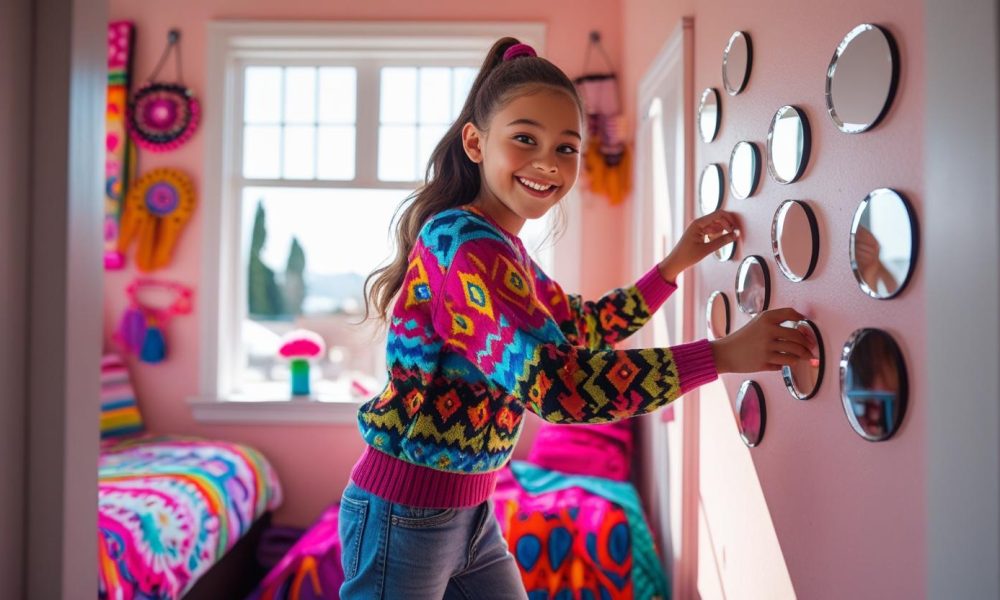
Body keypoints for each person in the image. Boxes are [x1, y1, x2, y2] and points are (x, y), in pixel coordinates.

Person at [339, 37, 813, 599]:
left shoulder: (503, 250)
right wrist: (720, 356)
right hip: (407, 511)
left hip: (468, 512)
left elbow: (584, 326)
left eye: (566, 147)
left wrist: (672, 266)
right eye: (525, 138)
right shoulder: (463, 246)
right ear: (475, 142)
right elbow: (557, 385)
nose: (548, 162)